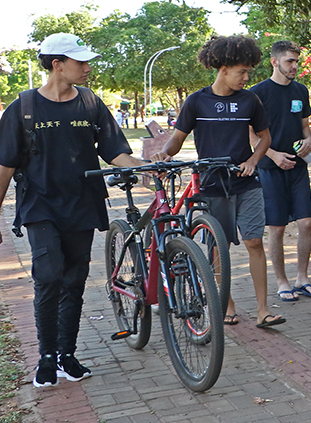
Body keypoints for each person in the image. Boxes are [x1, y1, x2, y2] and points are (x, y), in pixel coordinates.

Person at [0, 33, 142, 387]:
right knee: (49, 276)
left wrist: (146, 169)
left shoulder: (90, 103)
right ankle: (46, 357)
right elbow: (5, 165)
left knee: (74, 280)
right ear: (57, 64)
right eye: (81, 61)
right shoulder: (23, 107)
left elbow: (115, 151)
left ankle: (66, 354)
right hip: (40, 204)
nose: (87, 67)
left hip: (82, 203)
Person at [156, 35, 283, 329]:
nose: (247, 77)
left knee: (254, 241)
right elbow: (177, 139)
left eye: (248, 71)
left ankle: (263, 310)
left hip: (246, 183)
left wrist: (253, 161)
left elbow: (265, 138)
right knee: (217, 246)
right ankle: (227, 305)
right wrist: (164, 154)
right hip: (212, 186)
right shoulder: (196, 101)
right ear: (223, 69)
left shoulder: (250, 100)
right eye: (242, 71)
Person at [249, 40, 311, 302]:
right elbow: (250, 134)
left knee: (307, 223)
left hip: (298, 168)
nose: (294, 66)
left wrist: (309, 140)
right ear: (274, 61)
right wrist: (272, 155)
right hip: (270, 169)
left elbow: (305, 126)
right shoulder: (257, 93)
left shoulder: (301, 90)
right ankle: (282, 281)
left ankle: (302, 277)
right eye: (290, 61)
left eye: (296, 62)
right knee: (277, 228)